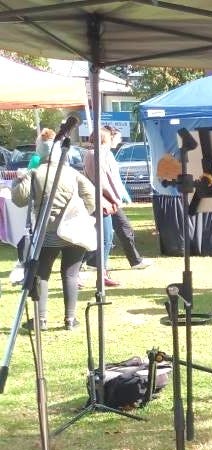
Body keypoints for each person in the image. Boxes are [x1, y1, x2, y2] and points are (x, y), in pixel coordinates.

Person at [12, 136, 97, 330]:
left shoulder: (35, 173)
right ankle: (70, 319)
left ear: (40, 152)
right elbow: (91, 196)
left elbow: (19, 199)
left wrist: (18, 180)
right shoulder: (72, 173)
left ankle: (41, 319)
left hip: (46, 231)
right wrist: (79, 214)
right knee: (71, 275)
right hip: (73, 231)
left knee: (41, 274)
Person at [83, 126, 153, 288]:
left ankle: (105, 270)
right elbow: (101, 182)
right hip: (102, 202)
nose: (118, 140)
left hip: (108, 201)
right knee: (104, 239)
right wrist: (114, 197)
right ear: (105, 138)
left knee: (115, 233)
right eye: (115, 137)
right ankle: (86, 270)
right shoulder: (94, 155)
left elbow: (110, 179)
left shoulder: (103, 154)